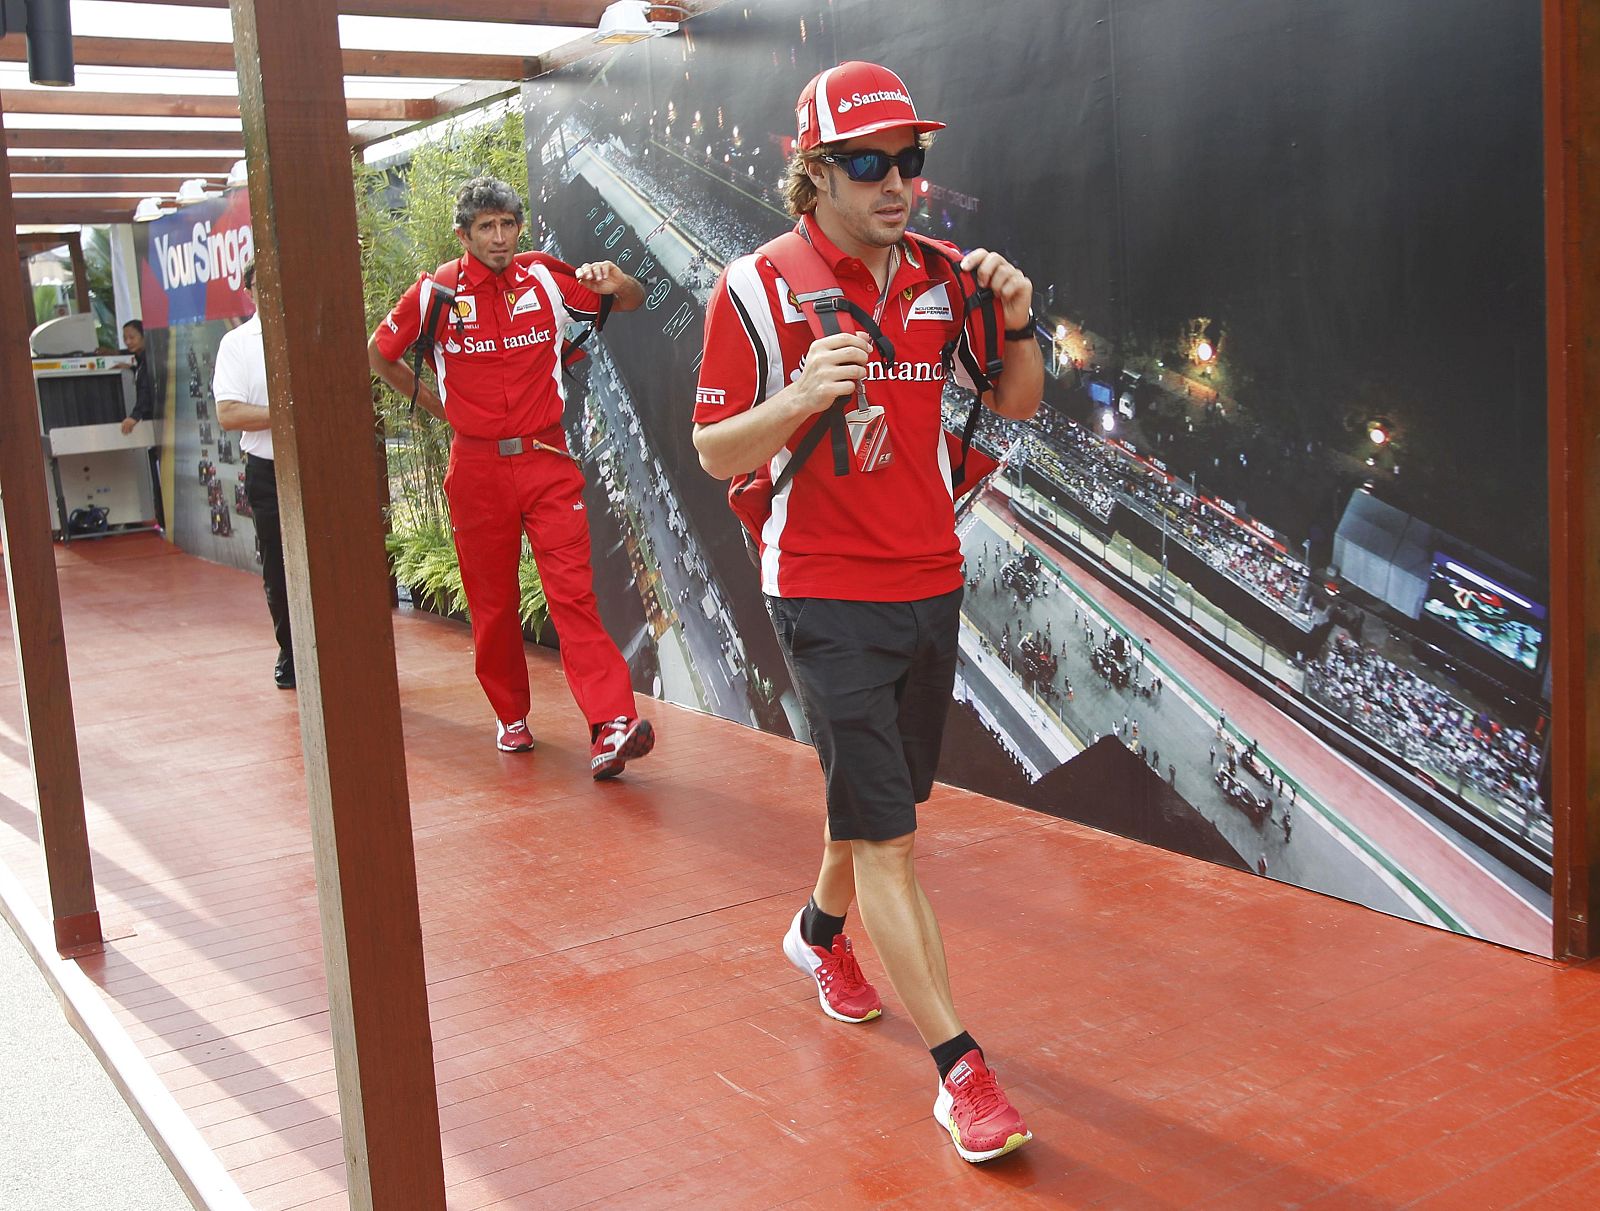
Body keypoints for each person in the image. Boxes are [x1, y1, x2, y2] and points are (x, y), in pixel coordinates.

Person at [692, 61, 1042, 1164]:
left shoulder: (948, 276)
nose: (898, 183)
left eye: (910, 161)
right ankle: (961, 1070)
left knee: (878, 806)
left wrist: (1021, 323)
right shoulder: (754, 286)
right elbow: (712, 449)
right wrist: (797, 395)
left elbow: (1015, 400)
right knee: (888, 834)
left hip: (930, 578)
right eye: (868, 163)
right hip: (823, 591)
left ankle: (816, 934)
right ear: (814, 174)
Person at [368, 176, 655, 778]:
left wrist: (616, 280)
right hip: (475, 469)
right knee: (493, 604)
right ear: (463, 234)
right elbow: (379, 352)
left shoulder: (546, 278)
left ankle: (611, 724)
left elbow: (629, 300)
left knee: (573, 595)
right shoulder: (436, 293)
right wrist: (438, 405)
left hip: (548, 461)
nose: (500, 238)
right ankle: (511, 713)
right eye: (486, 228)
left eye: (508, 225)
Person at [214, 259, 293, 690]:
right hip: (268, 471)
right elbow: (229, 413)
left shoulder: (310, 334)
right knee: (278, 565)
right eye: (264, 284)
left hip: (319, 467)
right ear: (251, 291)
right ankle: (291, 651)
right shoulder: (238, 344)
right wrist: (289, 416)